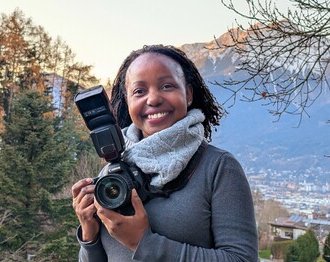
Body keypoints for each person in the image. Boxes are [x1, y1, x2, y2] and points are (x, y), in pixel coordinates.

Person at [72, 44, 258, 261]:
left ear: (188, 94)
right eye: (139, 91)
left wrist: (143, 243)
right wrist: (89, 234)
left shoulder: (218, 167)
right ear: (128, 101)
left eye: (167, 86)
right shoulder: (112, 175)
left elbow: (241, 259)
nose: (153, 99)